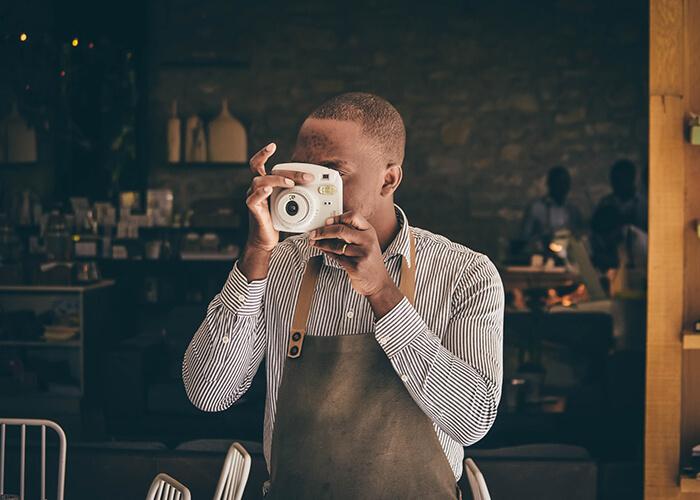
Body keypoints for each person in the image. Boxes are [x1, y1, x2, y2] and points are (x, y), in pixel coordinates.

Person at [182, 92, 504, 499]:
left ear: (389, 179)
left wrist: (382, 292)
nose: (311, 192)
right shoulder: (276, 264)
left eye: (331, 175)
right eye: (304, 173)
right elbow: (209, 391)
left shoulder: (467, 273)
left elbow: (472, 421)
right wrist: (256, 252)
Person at [518, 165, 583, 254]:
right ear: (550, 184)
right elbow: (525, 238)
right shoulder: (537, 209)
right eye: (559, 184)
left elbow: (579, 237)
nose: (562, 188)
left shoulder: (573, 210)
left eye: (565, 184)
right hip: (544, 258)